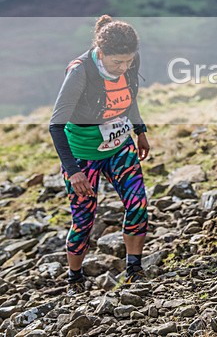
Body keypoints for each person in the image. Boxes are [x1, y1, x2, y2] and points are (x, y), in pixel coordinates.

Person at [49, 15, 150, 294]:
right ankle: (75, 279)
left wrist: (140, 131)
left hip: (119, 146)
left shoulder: (130, 61)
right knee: (84, 219)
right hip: (82, 156)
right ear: (101, 53)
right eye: (118, 62)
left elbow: (130, 98)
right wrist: (72, 170)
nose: (124, 67)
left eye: (129, 61)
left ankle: (134, 269)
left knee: (138, 203)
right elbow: (55, 125)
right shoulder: (80, 72)